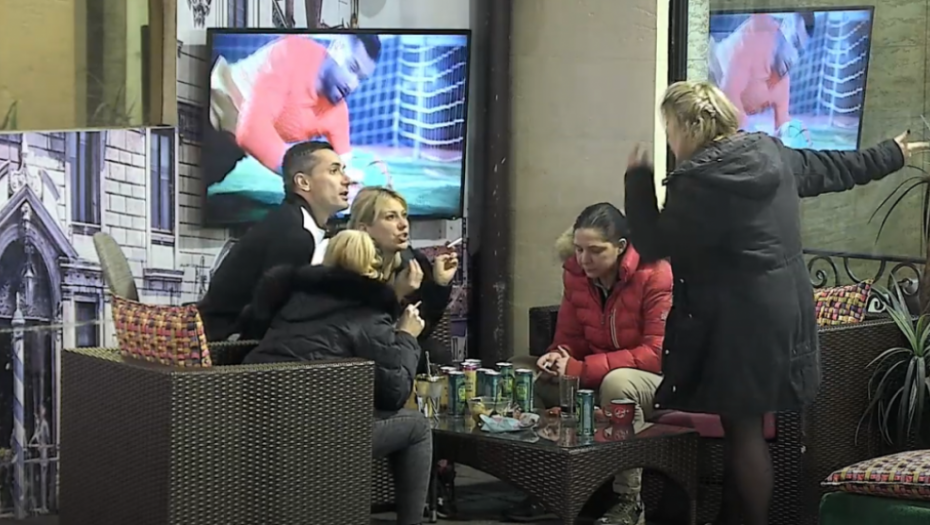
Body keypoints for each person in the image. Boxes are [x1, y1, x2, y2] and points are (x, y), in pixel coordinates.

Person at [623, 80, 928, 525]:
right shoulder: (771, 153)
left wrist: (636, 180)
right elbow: (835, 169)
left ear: (686, 128)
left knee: (743, 431)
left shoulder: (698, 183)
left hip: (736, 322)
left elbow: (652, 243)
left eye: (669, 129)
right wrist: (891, 154)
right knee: (742, 428)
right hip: (784, 317)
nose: (669, 140)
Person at [242, 230, 431, 525]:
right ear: (372, 269)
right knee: (417, 426)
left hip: (255, 425)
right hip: (317, 436)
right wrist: (406, 336)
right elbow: (394, 393)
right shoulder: (369, 313)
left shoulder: (293, 300)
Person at [506, 203, 673, 525]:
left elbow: (656, 353)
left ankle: (629, 501)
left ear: (620, 246)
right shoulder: (577, 275)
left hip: (655, 380)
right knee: (520, 372)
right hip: (595, 373)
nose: (584, 259)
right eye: (579, 249)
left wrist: (580, 369)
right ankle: (544, 486)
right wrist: (558, 355)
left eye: (595, 251)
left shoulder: (654, 274)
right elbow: (570, 337)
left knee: (618, 384)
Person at [198, 140, 351, 342]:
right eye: (334, 171)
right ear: (303, 182)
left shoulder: (289, 221)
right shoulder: (294, 234)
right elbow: (271, 317)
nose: (347, 180)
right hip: (225, 347)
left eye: (343, 170)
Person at [205, 34, 381, 189]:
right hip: (211, 96)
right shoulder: (294, 52)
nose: (352, 84)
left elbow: (346, 168)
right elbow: (251, 131)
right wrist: (308, 177)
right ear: (337, 48)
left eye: (361, 79)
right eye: (352, 68)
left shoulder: (337, 113)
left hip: (229, 145)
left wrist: (350, 182)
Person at [347, 186, 460, 366]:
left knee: (435, 353)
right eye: (390, 217)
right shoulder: (348, 266)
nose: (403, 224)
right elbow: (361, 336)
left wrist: (439, 284)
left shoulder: (412, 261)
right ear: (364, 228)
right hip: (358, 359)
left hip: (397, 349)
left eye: (404, 215)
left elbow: (423, 329)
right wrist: (396, 294)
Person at [709, 11, 815, 142]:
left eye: (800, 51)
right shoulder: (758, 36)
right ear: (784, 29)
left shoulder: (781, 81)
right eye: (795, 42)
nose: (794, 56)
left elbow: (782, 126)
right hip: (711, 73)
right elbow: (729, 92)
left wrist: (795, 137)